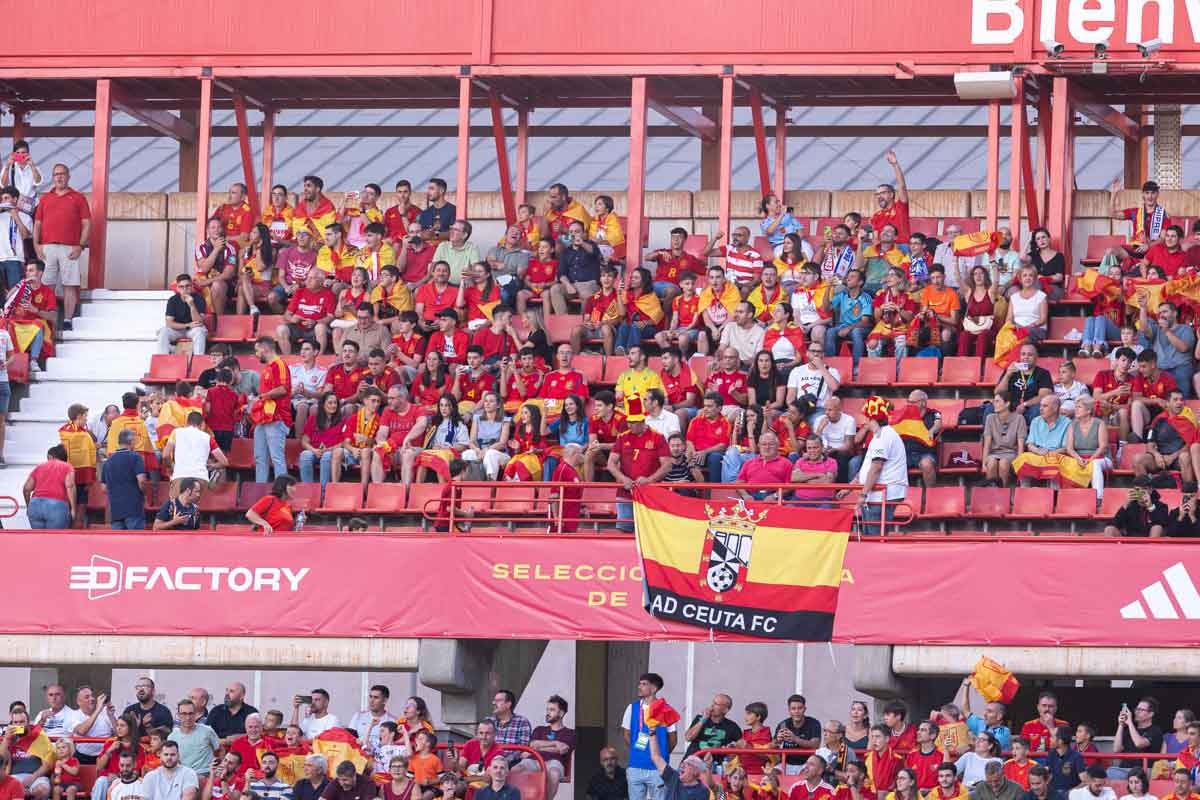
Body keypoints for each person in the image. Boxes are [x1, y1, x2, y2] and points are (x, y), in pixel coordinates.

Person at [840, 396, 908, 533]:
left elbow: (876, 467)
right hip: (877, 494)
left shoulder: (883, 437)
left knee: (874, 536)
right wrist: (850, 487)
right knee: (870, 535)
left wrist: (863, 495)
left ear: (871, 418)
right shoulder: (880, 435)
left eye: (865, 416)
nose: (864, 420)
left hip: (881, 495)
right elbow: (867, 468)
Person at [32, 163, 88, 328]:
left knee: (69, 285)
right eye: (56, 174)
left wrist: (80, 245)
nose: (59, 177)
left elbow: (87, 223)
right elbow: (37, 224)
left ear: (68, 176)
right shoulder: (45, 198)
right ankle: (46, 320)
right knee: (46, 285)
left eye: (62, 174)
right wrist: (36, 245)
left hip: (70, 248)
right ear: (53, 177)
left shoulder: (78, 197)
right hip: (47, 247)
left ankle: (67, 320)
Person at [622, 674, 678, 800]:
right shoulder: (632, 707)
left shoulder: (666, 709)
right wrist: (637, 752)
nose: (639, 687)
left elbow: (673, 738)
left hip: (658, 768)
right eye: (639, 683)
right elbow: (626, 734)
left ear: (654, 689)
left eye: (644, 684)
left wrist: (661, 755)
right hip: (635, 765)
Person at [1136, 298, 1196, 399]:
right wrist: (1143, 308)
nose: (1162, 315)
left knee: (1179, 397)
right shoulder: (1157, 328)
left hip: (1180, 368)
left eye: (1165, 311)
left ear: (1175, 313)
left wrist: (1167, 331)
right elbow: (1145, 329)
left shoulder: (1186, 329)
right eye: (1160, 313)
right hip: (1160, 370)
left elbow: (1183, 348)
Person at [253, 336, 293, 482]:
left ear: (265, 348)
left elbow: (283, 389)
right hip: (264, 418)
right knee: (260, 458)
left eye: (257, 350)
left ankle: (281, 492)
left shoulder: (279, 364)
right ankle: (260, 489)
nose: (256, 354)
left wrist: (262, 397)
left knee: (277, 457)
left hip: (277, 417)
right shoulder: (268, 367)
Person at [523, 695, 576, 798]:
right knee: (515, 769)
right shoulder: (539, 729)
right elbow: (532, 744)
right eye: (547, 709)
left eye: (552, 710)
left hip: (554, 762)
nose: (547, 713)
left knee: (554, 774)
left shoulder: (570, 733)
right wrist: (556, 743)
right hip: (534, 760)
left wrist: (539, 747)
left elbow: (562, 750)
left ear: (561, 713)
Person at [101, 429, 149, 529]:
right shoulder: (135, 457)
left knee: (119, 544)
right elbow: (141, 480)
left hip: (115, 510)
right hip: (133, 508)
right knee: (136, 542)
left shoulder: (108, 462)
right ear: (131, 441)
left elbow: (104, 488)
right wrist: (144, 492)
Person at [997, 344, 1054, 426]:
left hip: (1030, 408)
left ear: (1036, 357)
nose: (1026, 357)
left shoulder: (1043, 373)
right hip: (1009, 408)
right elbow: (998, 393)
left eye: (1030, 354)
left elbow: (1044, 396)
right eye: (1023, 354)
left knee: (1038, 410)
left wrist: (1025, 404)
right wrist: (1007, 375)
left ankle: (1031, 438)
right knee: (990, 409)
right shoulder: (1011, 371)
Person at [647, 729, 708, 800]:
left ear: (695, 771)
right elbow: (656, 757)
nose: (682, 766)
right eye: (683, 763)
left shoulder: (702, 792)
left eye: (687, 764)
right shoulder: (674, 777)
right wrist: (652, 732)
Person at [23, 444, 75, 528]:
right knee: (55, 539)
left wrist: (29, 506)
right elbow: (70, 486)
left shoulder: (39, 467)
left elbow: (26, 489)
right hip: (57, 505)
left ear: (50, 456)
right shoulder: (67, 467)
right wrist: (73, 509)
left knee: (39, 539)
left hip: (35, 504)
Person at [1110, 698, 1163, 778]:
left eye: (1141, 710)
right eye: (1136, 709)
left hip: (1142, 771)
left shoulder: (1155, 730)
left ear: (1151, 714)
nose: (1136, 712)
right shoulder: (1129, 729)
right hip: (1124, 769)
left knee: (1112, 774)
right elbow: (1116, 749)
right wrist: (1121, 725)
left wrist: (1130, 722)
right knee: (1108, 772)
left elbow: (1139, 743)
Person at [157, 273, 208, 355]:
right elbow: (169, 323)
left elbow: (199, 322)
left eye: (187, 286)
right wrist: (187, 325)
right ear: (177, 288)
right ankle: (163, 360)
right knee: (163, 331)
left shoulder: (199, 298)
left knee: (200, 331)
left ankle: (198, 360)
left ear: (191, 286)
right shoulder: (173, 300)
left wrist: (191, 305)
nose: (185, 289)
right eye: (181, 287)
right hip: (178, 329)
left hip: (193, 329)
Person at [167, 700, 218, 779]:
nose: (188, 717)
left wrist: (217, 767)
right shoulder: (172, 737)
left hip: (205, 773)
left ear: (196, 714)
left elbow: (219, 749)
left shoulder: (207, 731)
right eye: (184, 714)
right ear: (178, 715)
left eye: (191, 713)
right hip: (183, 774)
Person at [1043, 726, 1086, 800]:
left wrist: (1071, 792)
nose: (1049, 739)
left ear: (1060, 741)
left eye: (1052, 737)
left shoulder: (1076, 757)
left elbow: (1085, 782)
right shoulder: (1051, 753)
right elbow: (1046, 774)